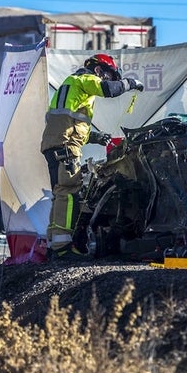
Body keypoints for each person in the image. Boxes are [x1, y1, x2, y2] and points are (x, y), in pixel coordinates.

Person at [41, 53, 144, 260]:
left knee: (60, 192)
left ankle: (54, 245)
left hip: (55, 146)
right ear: (98, 70)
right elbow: (108, 90)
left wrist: (96, 137)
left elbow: (69, 123)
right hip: (65, 148)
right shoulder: (85, 79)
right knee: (69, 192)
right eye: (108, 75)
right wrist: (132, 83)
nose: (108, 80)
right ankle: (63, 249)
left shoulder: (71, 86)